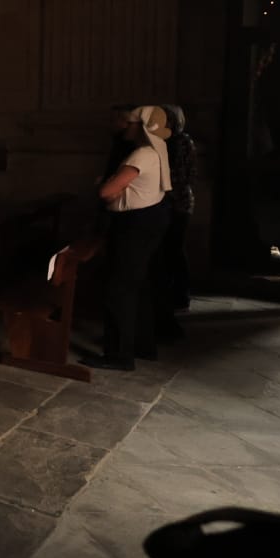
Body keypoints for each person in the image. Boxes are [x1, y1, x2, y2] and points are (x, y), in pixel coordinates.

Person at [84, 106, 172, 372]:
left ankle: (119, 355)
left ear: (139, 127)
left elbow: (107, 191)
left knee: (118, 289)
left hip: (134, 226)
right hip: (148, 221)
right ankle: (142, 345)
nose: (125, 127)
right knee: (138, 286)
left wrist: (107, 187)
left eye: (129, 123)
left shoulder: (142, 153)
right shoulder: (156, 151)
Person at [160, 104, 196, 315]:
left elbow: (182, 176)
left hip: (177, 202)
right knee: (170, 249)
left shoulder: (180, 142)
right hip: (174, 201)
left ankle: (181, 295)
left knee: (174, 249)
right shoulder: (171, 141)